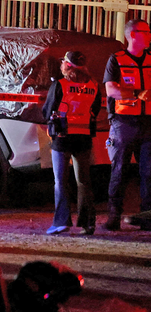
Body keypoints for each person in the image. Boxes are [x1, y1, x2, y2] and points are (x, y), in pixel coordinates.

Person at [43, 51, 101, 235]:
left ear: (67, 65)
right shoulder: (93, 85)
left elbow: (47, 110)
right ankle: (87, 224)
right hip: (83, 137)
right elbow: (96, 109)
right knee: (83, 181)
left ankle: (61, 222)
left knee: (60, 181)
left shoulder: (60, 84)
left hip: (62, 137)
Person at [104, 19, 151, 231]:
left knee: (148, 171)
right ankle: (114, 215)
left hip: (148, 122)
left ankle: (146, 216)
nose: (149, 35)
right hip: (124, 122)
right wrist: (136, 93)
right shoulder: (117, 60)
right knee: (120, 169)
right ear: (132, 35)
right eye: (145, 32)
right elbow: (111, 90)